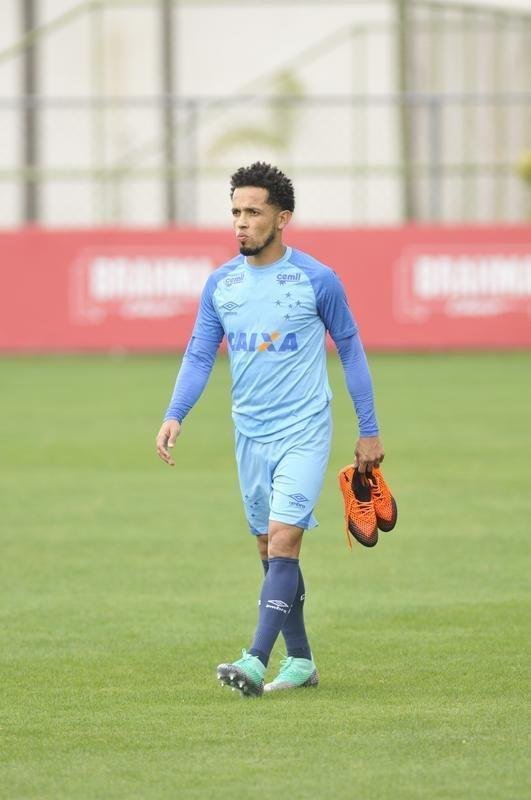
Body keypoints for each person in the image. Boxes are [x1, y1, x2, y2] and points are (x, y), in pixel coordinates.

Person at [156, 162, 384, 697]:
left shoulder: (317, 279)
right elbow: (199, 354)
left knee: (284, 538)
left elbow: (351, 349)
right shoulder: (222, 284)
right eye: (236, 211)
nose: (241, 222)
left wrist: (368, 429)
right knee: (269, 547)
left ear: (282, 218)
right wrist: (175, 413)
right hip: (249, 434)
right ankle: (300, 660)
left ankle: (255, 661)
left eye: (253, 212)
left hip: (304, 429)